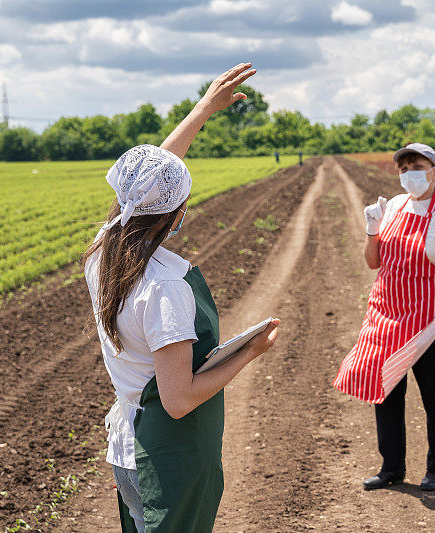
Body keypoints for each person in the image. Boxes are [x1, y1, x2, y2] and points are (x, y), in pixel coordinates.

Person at [83, 62, 281, 533]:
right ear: (177, 212)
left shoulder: (104, 251)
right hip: (168, 456)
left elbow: (149, 181)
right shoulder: (166, 286)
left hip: (128, 448)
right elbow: (178, 400)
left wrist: (205, 108)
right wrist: (249, 352)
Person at [333, 142, 435, 492]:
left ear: (434, 170)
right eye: (403, 168)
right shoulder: (395, 205)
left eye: (417, 165)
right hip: (387, 312)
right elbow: (374, 262)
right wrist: (372, 230)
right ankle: (391, 468)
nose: (409, 173)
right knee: (383, 388)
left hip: (431, 315)